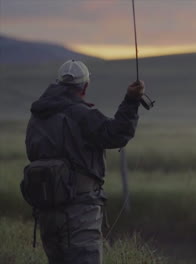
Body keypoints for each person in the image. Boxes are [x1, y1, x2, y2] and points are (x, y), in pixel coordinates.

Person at [24, 59, 145, 263]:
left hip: (46, 213)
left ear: (58, 83)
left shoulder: (36, 118)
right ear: (85, 86)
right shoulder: (81, 115)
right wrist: (132, 101)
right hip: (79, 211)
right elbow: (117, 134)